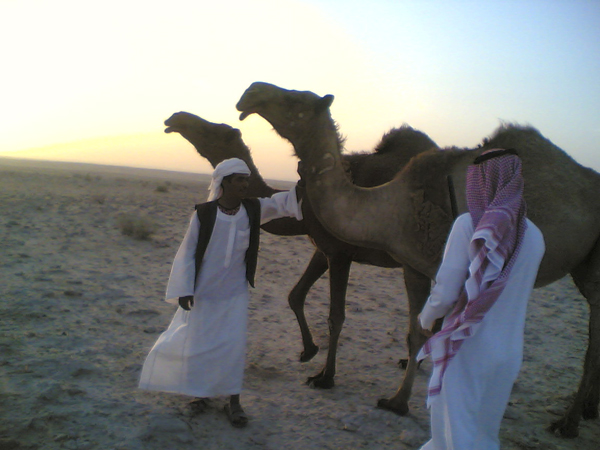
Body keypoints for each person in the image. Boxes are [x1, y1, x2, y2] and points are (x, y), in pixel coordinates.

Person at [138, 158, 303, 428]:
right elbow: (187, 252)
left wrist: (305, 183)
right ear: (224, 182)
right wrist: (184, 289)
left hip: (235, 292)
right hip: (204, 292)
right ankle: (200, 394)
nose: (245, 185)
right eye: (239, 180)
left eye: (246, 180)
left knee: (232, 345)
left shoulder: (253, 209)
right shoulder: (204, 214)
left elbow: (281, 203)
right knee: (200, 343)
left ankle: (233, 401)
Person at [416, 149, 545, 449]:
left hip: (469, 347)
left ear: (484, 180)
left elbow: (445, 293)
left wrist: (425, 318)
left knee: (455, 435)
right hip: (509, 351)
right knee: (485, 435)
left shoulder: (469, 225)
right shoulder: (535, 236)